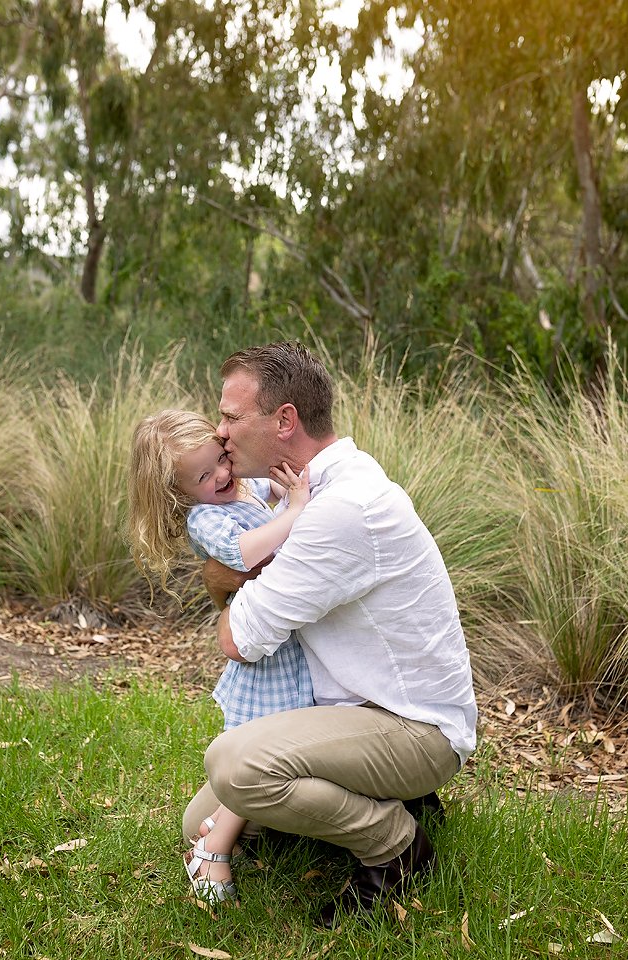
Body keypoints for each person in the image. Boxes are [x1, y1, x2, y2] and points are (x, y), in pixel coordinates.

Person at [182, 341, 478, 926]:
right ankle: (394, 800)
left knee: (237, 767)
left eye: (232, 417)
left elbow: (237, 639)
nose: (220, 434)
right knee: (202, 823)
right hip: (354, 712)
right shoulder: (317, 485)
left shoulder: (342, 508)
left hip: (413, 728)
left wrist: (225, 578)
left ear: (285, 420)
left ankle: (395, 845)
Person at [126, 409, 315, 904]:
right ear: (179, 493)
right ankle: (214, 845)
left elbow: (263, 520)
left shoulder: (239, 492)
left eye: (220, 461)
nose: (222, 476)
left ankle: (236, 830)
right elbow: (246, 552)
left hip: (281, 645)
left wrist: (277, 494)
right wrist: (295, 510)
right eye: (203, 477)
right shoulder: (206, 516)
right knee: (258, 755)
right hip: (263, 659)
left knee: (278, 746)